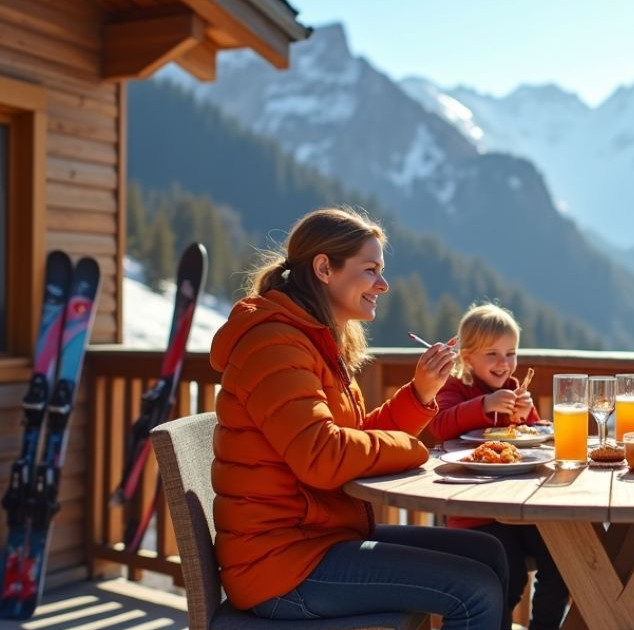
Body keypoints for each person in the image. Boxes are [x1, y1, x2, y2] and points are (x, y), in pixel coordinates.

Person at [209, 207, 508, 629]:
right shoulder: (274, 344)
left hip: (320, 538)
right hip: (281, 567)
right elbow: (323, 454)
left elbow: (353, 437)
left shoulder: (308, 339)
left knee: (487, 552)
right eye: (370, 270)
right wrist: (411, 450)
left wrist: (421, 393)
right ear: (324, 269)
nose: (383, 285)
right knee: (475, 589)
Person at [429, 303, 569, 630]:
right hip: (475, 513)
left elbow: (536, 439)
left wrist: (526, 417)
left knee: (563, 553)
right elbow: (441, 426)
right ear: (467, 358)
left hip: (521, 508)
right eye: (492, 354)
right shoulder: (454, 388)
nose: (504, 363)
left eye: (511, 353)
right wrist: (483, 405)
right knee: (508, 572)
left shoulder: (512, 389)